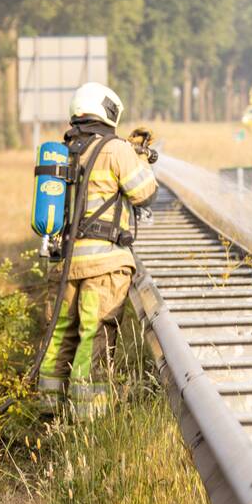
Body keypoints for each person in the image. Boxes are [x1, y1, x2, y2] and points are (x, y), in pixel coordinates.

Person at [37, 82, 158, 418]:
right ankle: (86, 419)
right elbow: (144, 193)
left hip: (66, 264)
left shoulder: (65, 150)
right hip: (104, 265)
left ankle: (49, 412)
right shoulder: (116, 149)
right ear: (109, 111)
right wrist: (140, 159)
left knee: (61, 333)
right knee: (95, 334)